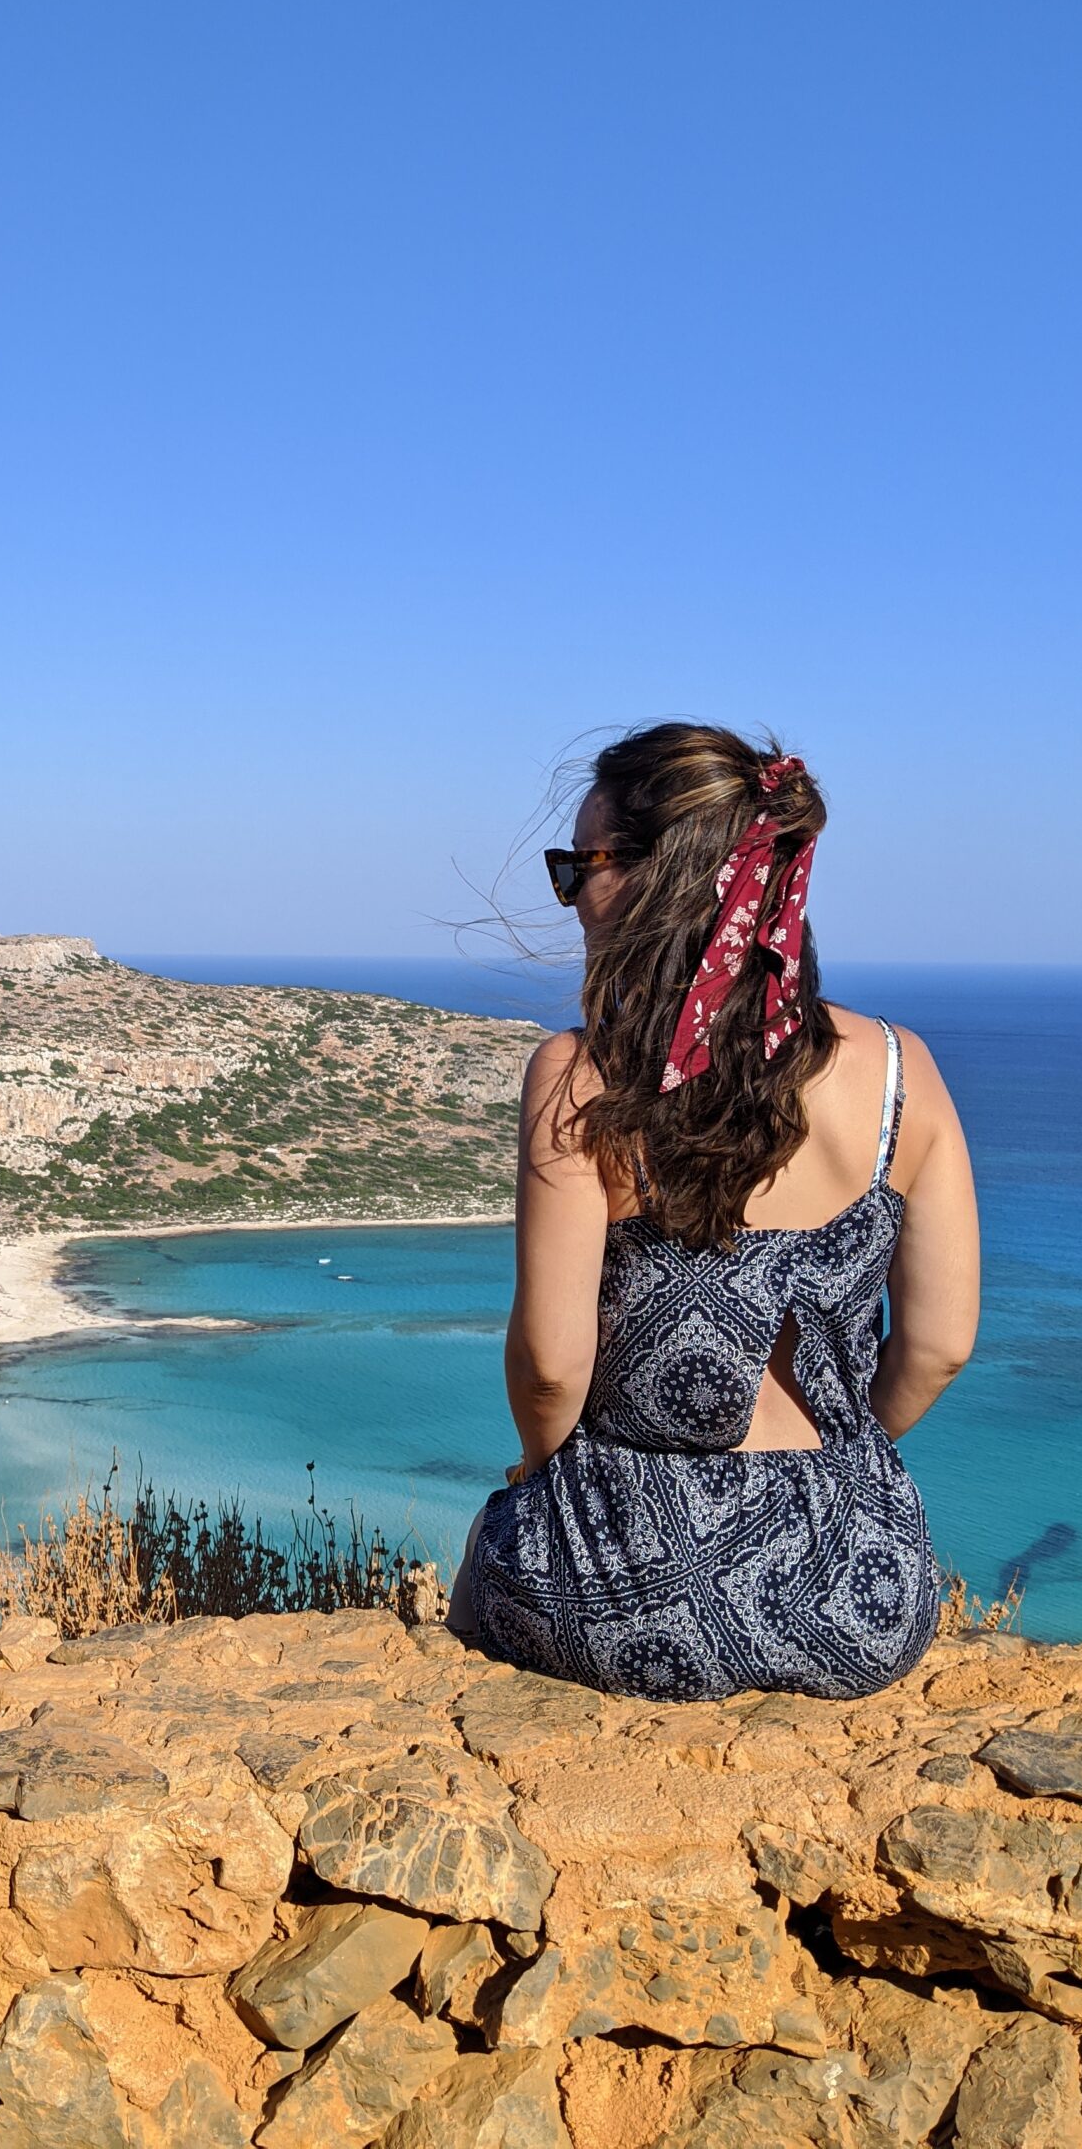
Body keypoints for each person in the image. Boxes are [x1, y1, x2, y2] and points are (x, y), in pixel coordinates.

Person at [447, 723, 979, 1700]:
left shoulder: (581, 1078)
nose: (569, 898)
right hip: (859, 1594)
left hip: (619, 1593)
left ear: (663, 878)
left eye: (580, 866)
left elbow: (553, 1366)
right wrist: (850, 1455)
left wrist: (538, 1474)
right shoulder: (904, 1074)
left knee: (496, 1545)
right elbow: (940, 1345)